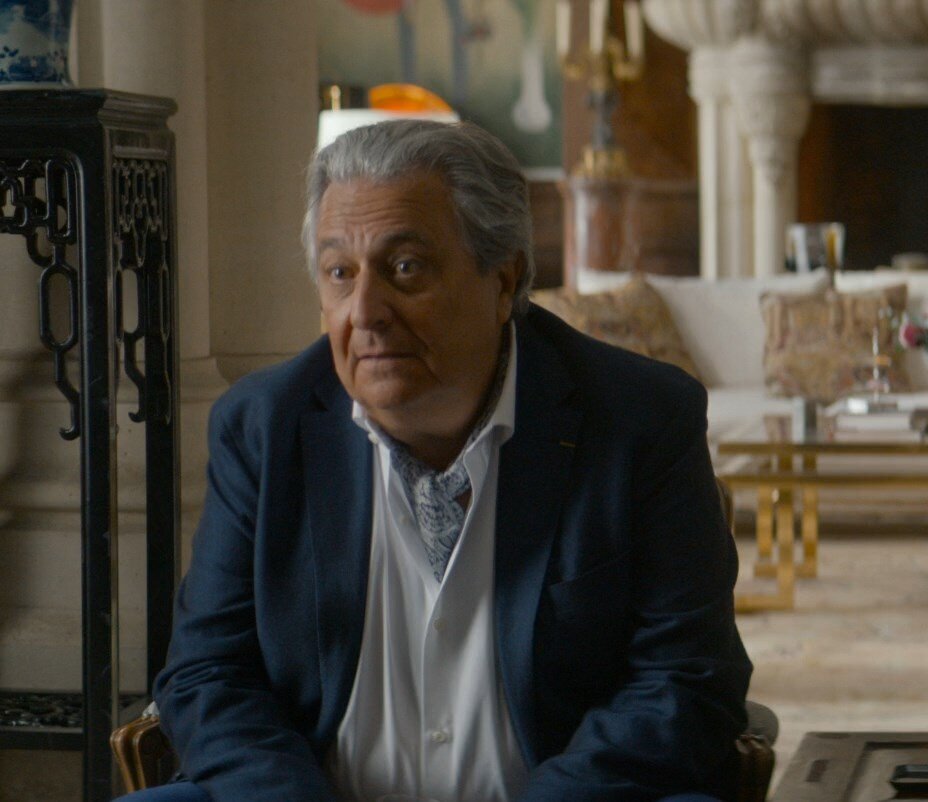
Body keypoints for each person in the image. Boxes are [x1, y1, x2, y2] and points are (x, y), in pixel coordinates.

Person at [133, 120, 751, 802]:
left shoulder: (640, 419)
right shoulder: (263, 426)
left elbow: (686, 679)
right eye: (340, 273)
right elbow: (208, 673)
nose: (365, 312)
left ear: (503, 279)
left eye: (405, 268)